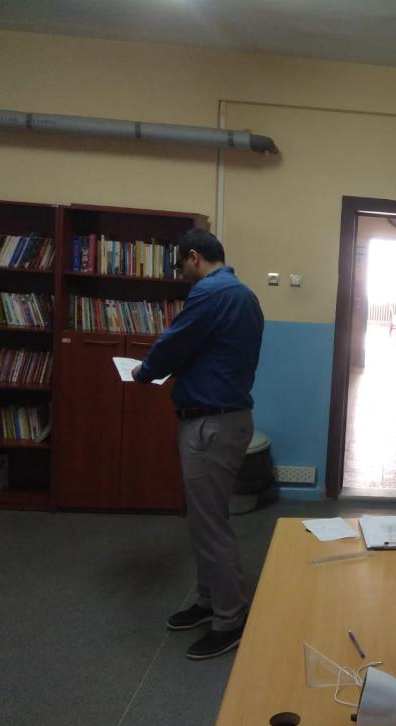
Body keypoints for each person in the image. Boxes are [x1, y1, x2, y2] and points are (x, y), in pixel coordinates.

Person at [132, 228, 264, 660]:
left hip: (211, 425)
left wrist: (143, 371)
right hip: (226, 420)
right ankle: (209, 600)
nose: (181, 274)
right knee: (207, 520)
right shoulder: (244, 296)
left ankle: (230, 619)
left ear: (193, 257)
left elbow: (174, 344)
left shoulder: (210, 292)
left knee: (211, 527)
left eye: (181, 266)